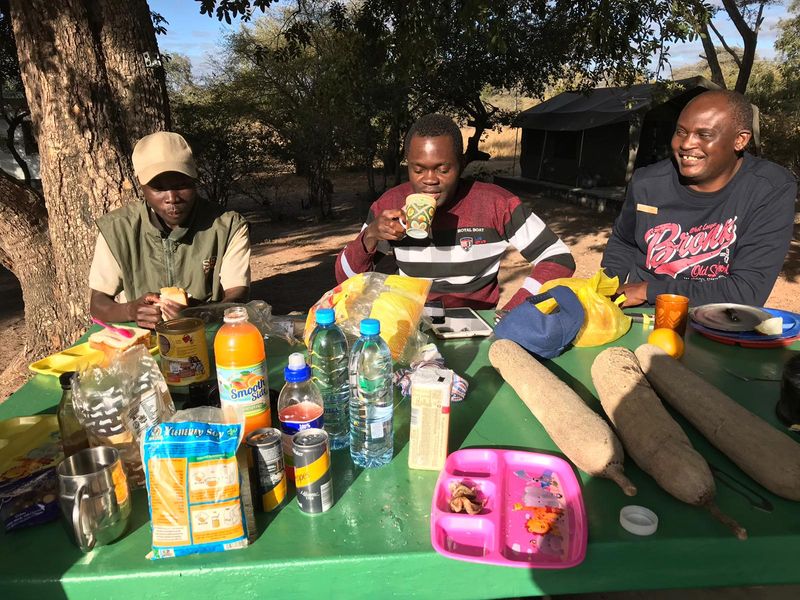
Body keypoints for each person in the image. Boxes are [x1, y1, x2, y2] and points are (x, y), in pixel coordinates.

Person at [334, 113, 575, 310]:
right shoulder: (390, 204)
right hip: (412, 325)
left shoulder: (495, 204)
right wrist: (371, 236)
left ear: (460, 164)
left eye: (443, 169)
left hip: (478, 327)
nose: (430, 180)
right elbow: (346, 279)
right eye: (419, 170)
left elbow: (558, 257)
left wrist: (515, 310)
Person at [602, 89, 797, 307]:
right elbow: (623, 240)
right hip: (645, 317)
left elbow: (746, 291)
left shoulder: (769, 189)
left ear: (740, 140)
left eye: (704, 135)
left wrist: (648, 290)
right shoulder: (647, 182)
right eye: (681, 132)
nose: (686, 144)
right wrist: (605, 290)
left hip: (718, 322)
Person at [89, 132, 251, 329]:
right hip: (144, 344)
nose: (172, 198)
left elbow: (238, 296)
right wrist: (131, 310)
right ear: (142, 187)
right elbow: (98, 303)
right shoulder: (118, 229)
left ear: (195, 180)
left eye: (182, 185)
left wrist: (197, 312)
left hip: (208, 334)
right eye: (158, 188)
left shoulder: (227, 226)